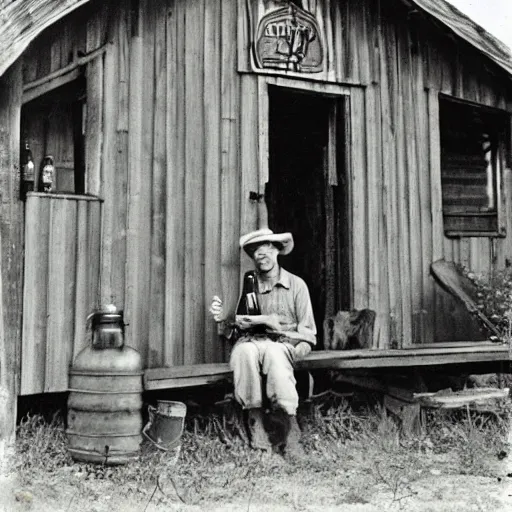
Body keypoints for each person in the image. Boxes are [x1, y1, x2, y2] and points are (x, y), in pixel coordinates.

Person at [209, 228, 316, 455]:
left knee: (275, 356)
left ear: (278, 251)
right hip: (252, 342)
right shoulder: (249, 285)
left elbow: (308, 333)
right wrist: (221, 318)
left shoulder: (297, 285)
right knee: (243, 353)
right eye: (256, 252)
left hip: (283, 344)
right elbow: (234, 328)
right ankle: (255, 422)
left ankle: (289, 427)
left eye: (267, 249)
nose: (262, 255)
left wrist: (296, 350)